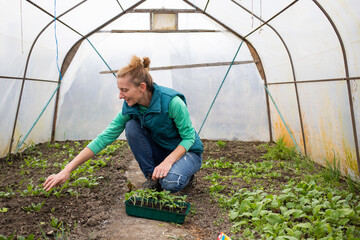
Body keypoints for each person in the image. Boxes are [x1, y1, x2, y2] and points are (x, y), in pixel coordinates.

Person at [43, 55, 203, 193]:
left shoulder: (172, 102)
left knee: (171, 183)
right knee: (132, 127)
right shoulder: (132, 108)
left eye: (124, 90)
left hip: (188, 152)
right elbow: (104, 138)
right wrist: (67, 170)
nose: (120, 95)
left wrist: (168, 163)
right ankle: (152, 178)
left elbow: (189, 138)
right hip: (162, 150)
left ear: (142, 87)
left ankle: (185, 177)